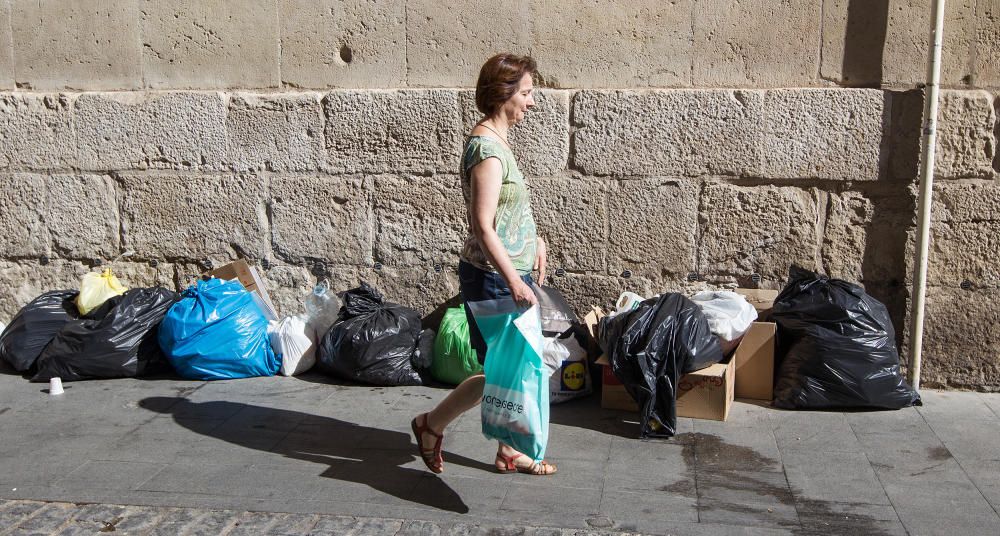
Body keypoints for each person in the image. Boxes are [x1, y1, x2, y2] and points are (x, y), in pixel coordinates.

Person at [411, 53, 556, 476]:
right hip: (494, 279)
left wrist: (536, 242)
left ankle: (506, 448)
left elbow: (511, 213)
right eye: (526, 93)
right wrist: (514, 278)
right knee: (502, 368)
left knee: (507, 367)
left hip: (504, 273)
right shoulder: (488, 151)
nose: (531, 102)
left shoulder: (499, 142)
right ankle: (431, 425)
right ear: (503, 94)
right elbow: (482, 223)